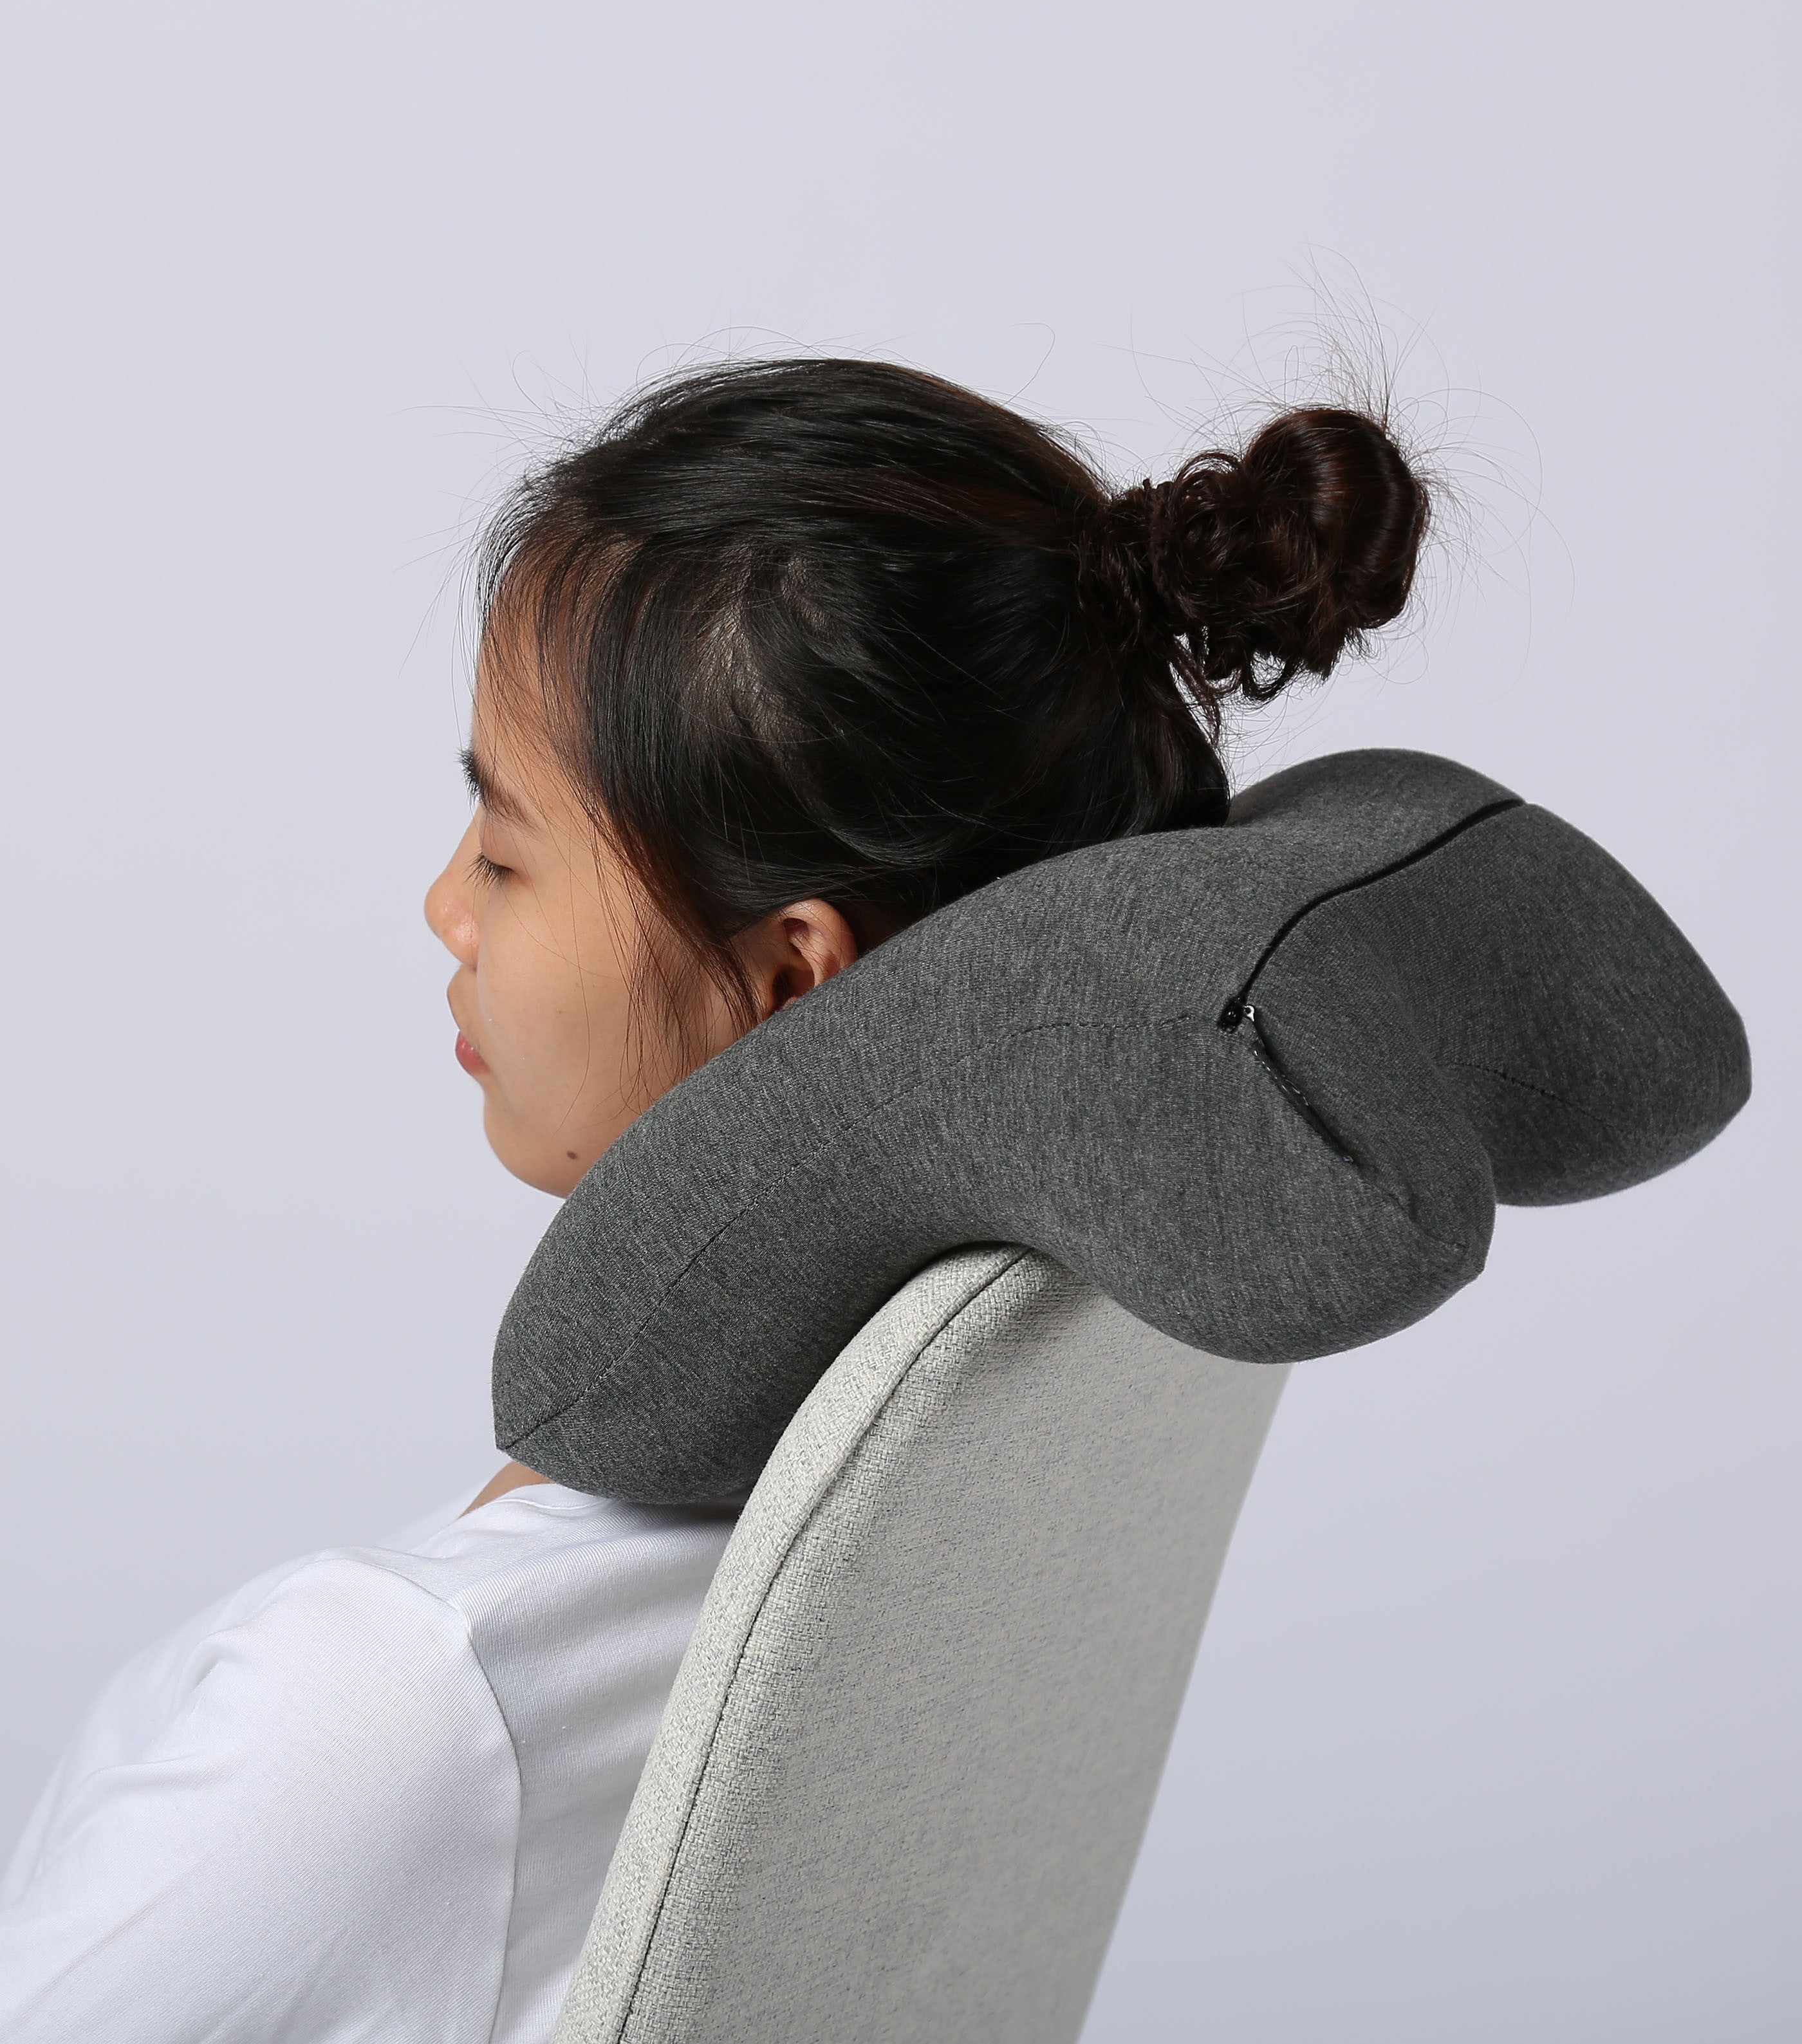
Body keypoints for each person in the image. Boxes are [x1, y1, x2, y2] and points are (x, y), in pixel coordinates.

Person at [0, 358, 1428, 2039]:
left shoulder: (397, 1720)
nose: (445, 906)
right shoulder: (1018, 1440)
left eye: (506, 852)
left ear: (792, 981)